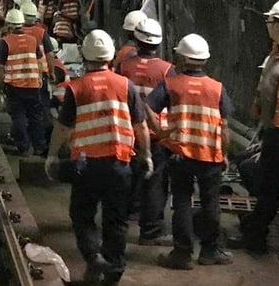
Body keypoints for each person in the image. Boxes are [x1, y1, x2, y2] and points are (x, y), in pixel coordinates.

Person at [46, 29, 152, 285]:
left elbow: (63, 127)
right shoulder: (125, 85)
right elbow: (141, 126)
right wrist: (146, 155)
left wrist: (51, 156)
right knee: (116, 219)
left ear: (85, 55)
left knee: (82, 214)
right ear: (110, 55)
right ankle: (114, 270)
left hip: (86, 164)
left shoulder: (76, 88)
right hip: (119, 162)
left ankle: (93, 256)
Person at [230, 0, 279, 254]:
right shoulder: (276, 53)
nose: (267, 25)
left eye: (269, 20)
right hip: (274, 131)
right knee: (267, 188)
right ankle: (256, 236)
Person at [147, 34, 233, 269]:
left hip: (179, 153)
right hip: (210, 155)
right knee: (210, 203)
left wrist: (161, 133)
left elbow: (147, 105)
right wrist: (224, 153)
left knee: (182, 201)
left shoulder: (171, 84)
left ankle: (182, 254)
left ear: (183, 58)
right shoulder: (217, 88)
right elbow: (225, 127)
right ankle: (209, 251)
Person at [115, 18, 173, 246]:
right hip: (154, 134)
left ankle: (129, 211)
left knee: (130, 175)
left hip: (128, 131)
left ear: (136, 39)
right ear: (158, 43)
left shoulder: (124, 66)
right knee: (155, 181)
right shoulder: (167, 70)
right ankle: (151, 230)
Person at [0, 9, 47, 156]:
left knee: (18, 117)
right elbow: (39, 62)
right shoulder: (33, 40)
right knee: (35, 117)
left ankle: (23, 147)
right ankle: (39, 146)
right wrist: (40, 79)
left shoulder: (5, 43)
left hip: (14, 86)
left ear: (9, 25)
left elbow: (0, 68)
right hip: (33, 85)